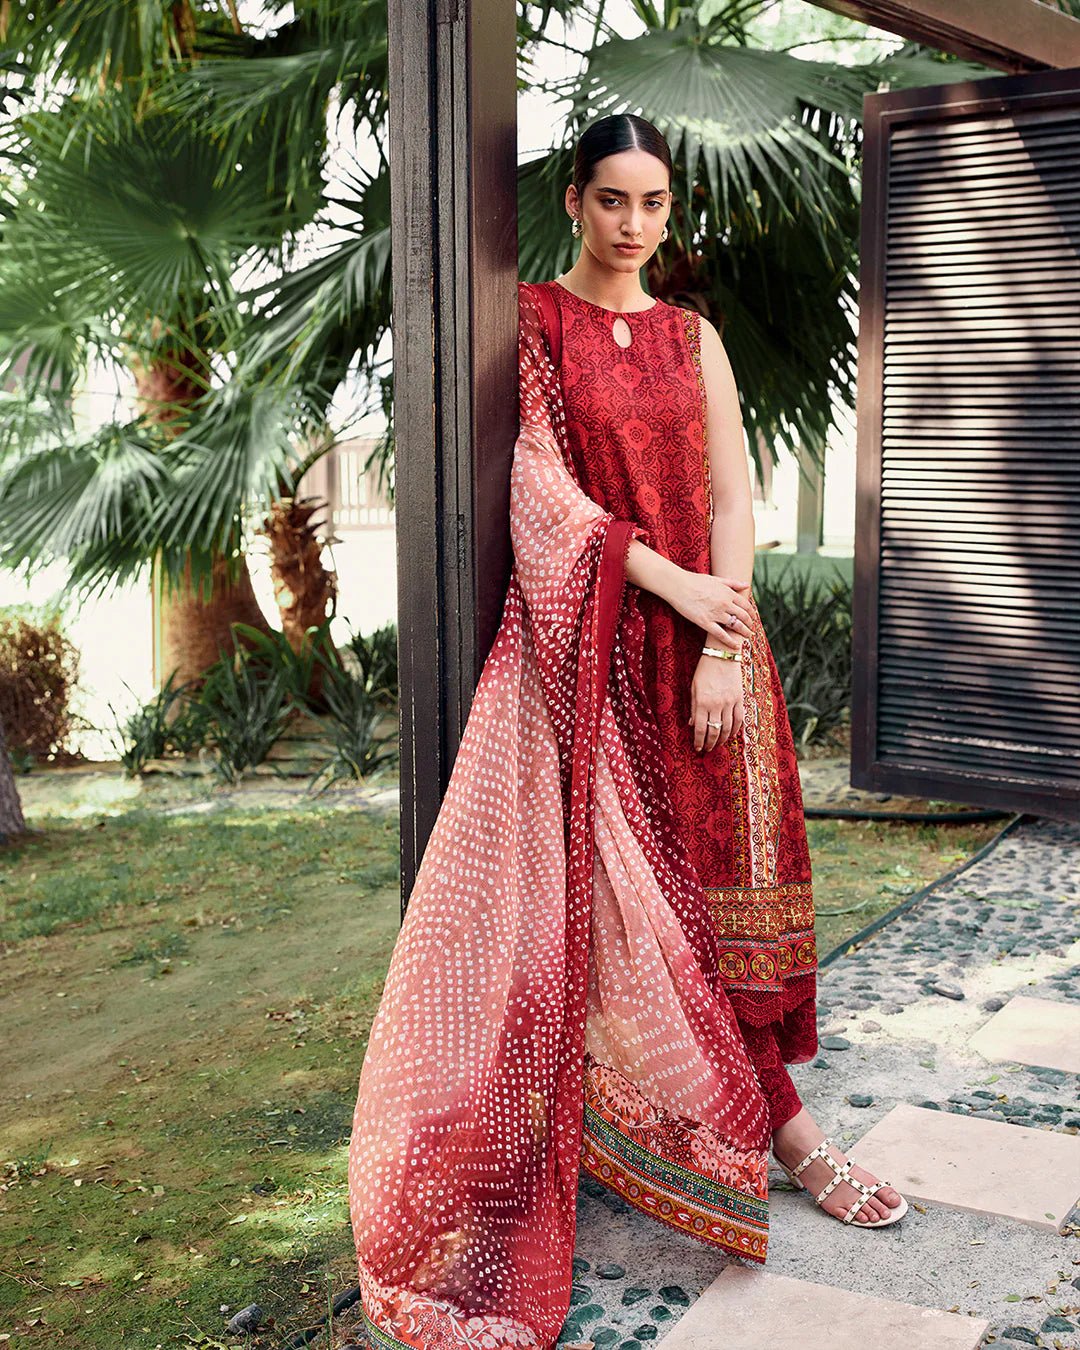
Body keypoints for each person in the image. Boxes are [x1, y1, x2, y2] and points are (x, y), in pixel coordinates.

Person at [348, 113, 905, 1350]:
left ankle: (773, 1131)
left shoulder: (690, 336)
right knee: (649, 917)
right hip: (606, 654)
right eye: (613, 200)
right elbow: (541, 493)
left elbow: (734, 490)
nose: (635, 224)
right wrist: (670, 590)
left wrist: (723, 638)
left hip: (710, 658)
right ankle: (789, 1142)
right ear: (574, 201)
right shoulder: (535, 325)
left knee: (726, 906)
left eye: (654, 203)